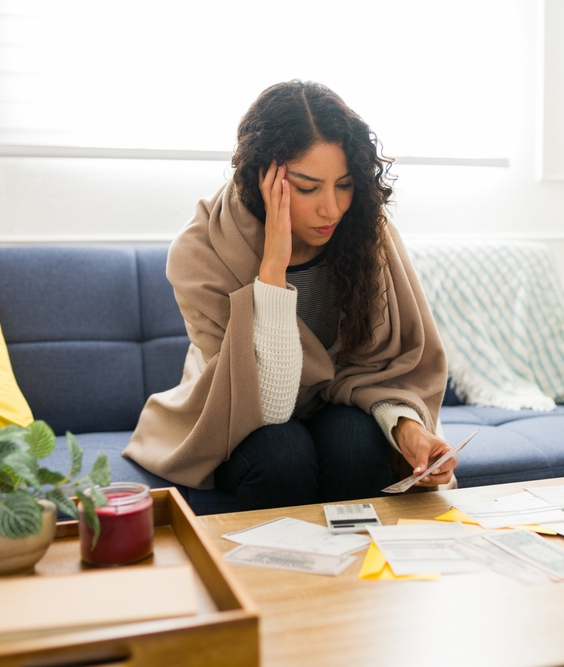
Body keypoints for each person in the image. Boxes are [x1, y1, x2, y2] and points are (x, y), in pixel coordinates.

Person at [123, 80, 454, 510]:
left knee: (355, 442)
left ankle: (358, 556)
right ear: (262, 178)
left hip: (341, 409)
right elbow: (268, 410)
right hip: (240, 422)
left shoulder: (365, 233)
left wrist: (407, 429)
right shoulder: (201, 252)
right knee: (284, 452)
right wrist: (273, 269)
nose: (331, 209)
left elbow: (384, 371)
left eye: (344, 184)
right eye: (307, 188)